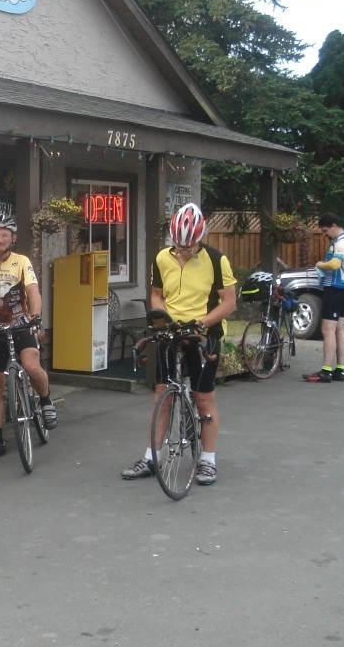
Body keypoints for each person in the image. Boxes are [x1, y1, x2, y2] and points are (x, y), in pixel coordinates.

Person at [120, 202, 236, 486]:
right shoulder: (162, 257)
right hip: (170, 331)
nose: (184, 250)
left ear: (201, 237)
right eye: (180, 245)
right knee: (162, 394)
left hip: (203, 333)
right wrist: (163, 318)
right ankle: (151, 458)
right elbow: (157, 294)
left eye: (190, 246)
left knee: (203, 397)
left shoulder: (216, 260)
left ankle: (208, 460)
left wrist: (203, 323)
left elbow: (229, 302)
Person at [0, 213, 57, 461]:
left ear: (13, 238)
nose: (0, 238)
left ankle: (46, 401)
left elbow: (33, 291)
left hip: (21, 326)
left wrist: (35, 317)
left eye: (5, 234)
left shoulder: (22, 262)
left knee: (32, 366)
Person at [303, 213, 344, 383]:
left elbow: (334, 264)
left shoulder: (342, 242)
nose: (325, 234)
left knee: (327, 330)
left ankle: (325, 370)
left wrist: (320, 264)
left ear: (334, 225)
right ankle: (340, 369)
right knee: (339, 329)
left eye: (325, 230)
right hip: (343, 289)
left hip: (335, 290)